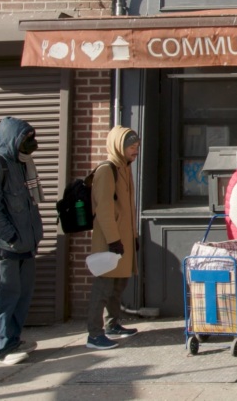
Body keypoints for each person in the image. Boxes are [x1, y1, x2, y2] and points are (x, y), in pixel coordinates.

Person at [0, 117, 44, 365]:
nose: (32, 144)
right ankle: (1, 348)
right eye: (26, 140)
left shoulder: (23, 166)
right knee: (2, 299)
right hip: (2, 250)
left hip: (24, 248)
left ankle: (13, 340)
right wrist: (12, 236)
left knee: (21, 297)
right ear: (13, 140)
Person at [85, 126, 141, 350]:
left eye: (137, 147)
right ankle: (94, 334)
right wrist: (113, 240)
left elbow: (128, 208)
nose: (135, 151)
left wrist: (133, 235)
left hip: (123, 238)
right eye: (131, 147)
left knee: (119, 284)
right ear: (119, 147)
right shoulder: (106, 170)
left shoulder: (124, 168)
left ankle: (113, 323)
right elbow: (104, 210)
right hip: (110, 240)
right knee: (103, 288)